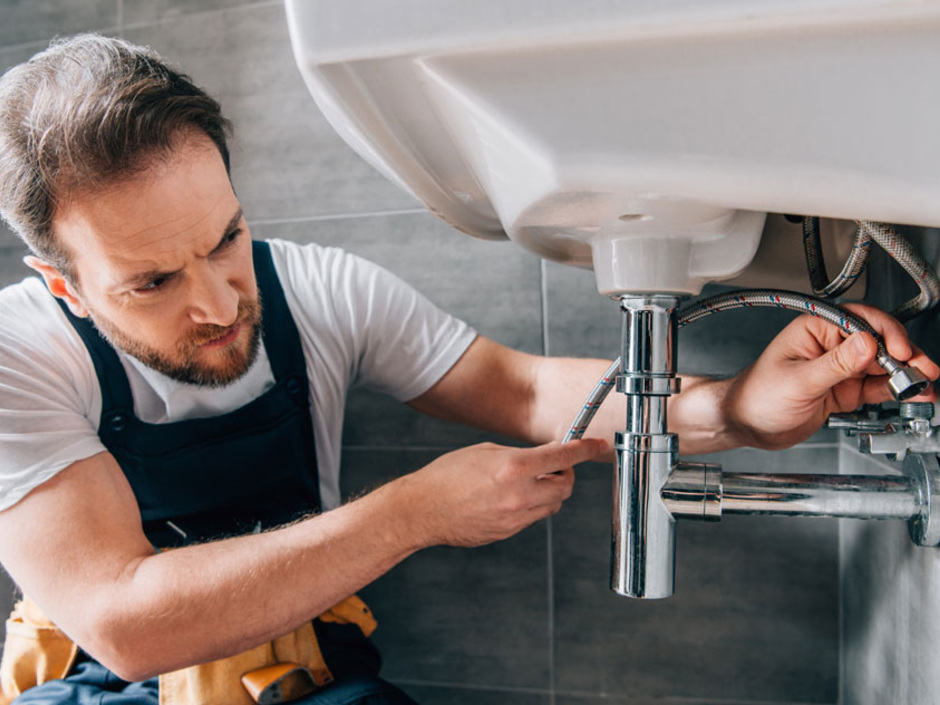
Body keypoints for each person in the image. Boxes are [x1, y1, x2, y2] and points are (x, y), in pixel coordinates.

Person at [0, 34, 934, 705]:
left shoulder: (317, 292)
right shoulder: (17, 354)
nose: (214, 302)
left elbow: (525, 391)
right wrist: (413, 513)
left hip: (300, 674)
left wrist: (734, 407)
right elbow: (123, 621)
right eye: (153, 281)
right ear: (66, 286)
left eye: (227, 237)